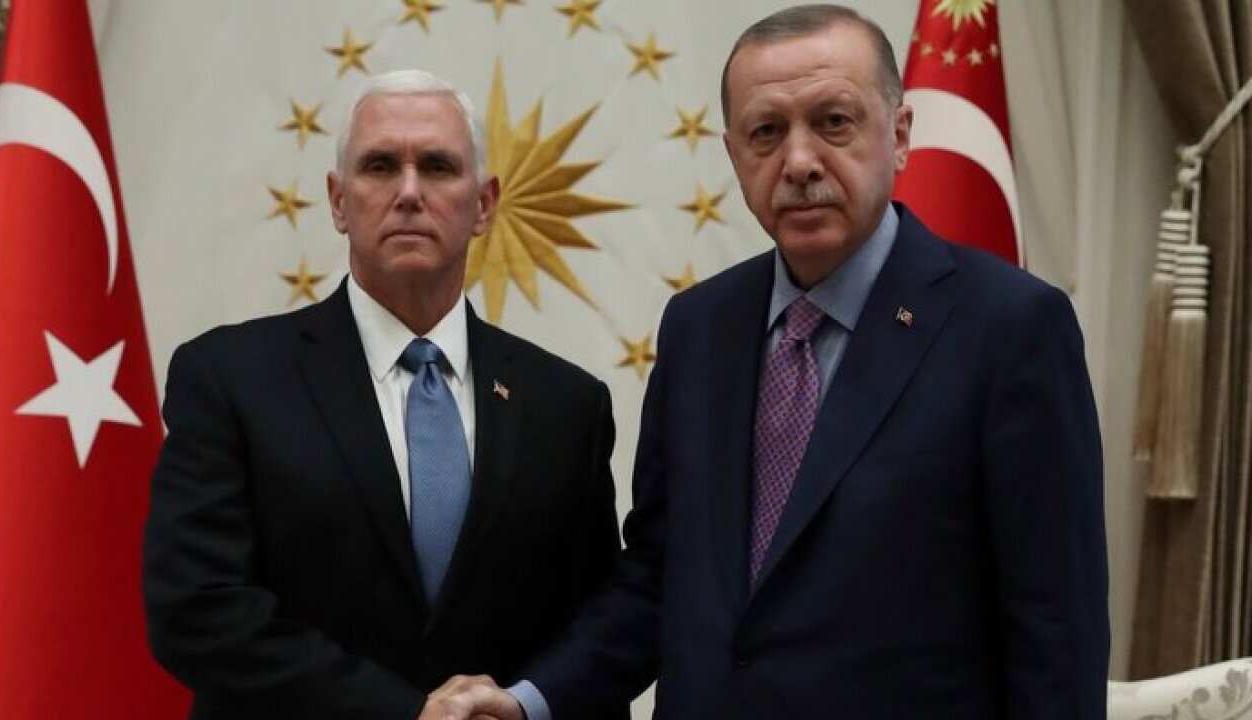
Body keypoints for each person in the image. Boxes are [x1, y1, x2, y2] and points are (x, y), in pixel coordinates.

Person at [420, 5, 1110, 719]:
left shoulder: (1010, 328)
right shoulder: (699, 327)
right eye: (767, 132)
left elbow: (1056, 631)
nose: (800, 162)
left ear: (900, 135)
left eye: (834, 122)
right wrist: (527, 703)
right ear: (734, 154)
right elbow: (659, 579)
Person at [142, 69, 626, 720]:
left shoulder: (567, 405)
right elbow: (196, 608)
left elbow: (596, 626)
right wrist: (403, 713)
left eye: (438, 167)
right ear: (338, 201)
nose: (409, 192)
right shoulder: (230, 379)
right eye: (379, 166)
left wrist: (523, 705)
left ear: (484, 203)